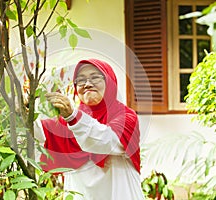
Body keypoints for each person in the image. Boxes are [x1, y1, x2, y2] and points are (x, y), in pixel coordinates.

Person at [35, 58, 144, 200]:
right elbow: (37, 136)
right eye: (80, 80)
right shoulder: (67, 122)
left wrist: (73, 117)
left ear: (109, 82)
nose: (87, 84)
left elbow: (105, 141)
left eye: (95, 77)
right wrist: (21, 112)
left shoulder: (126, 117)